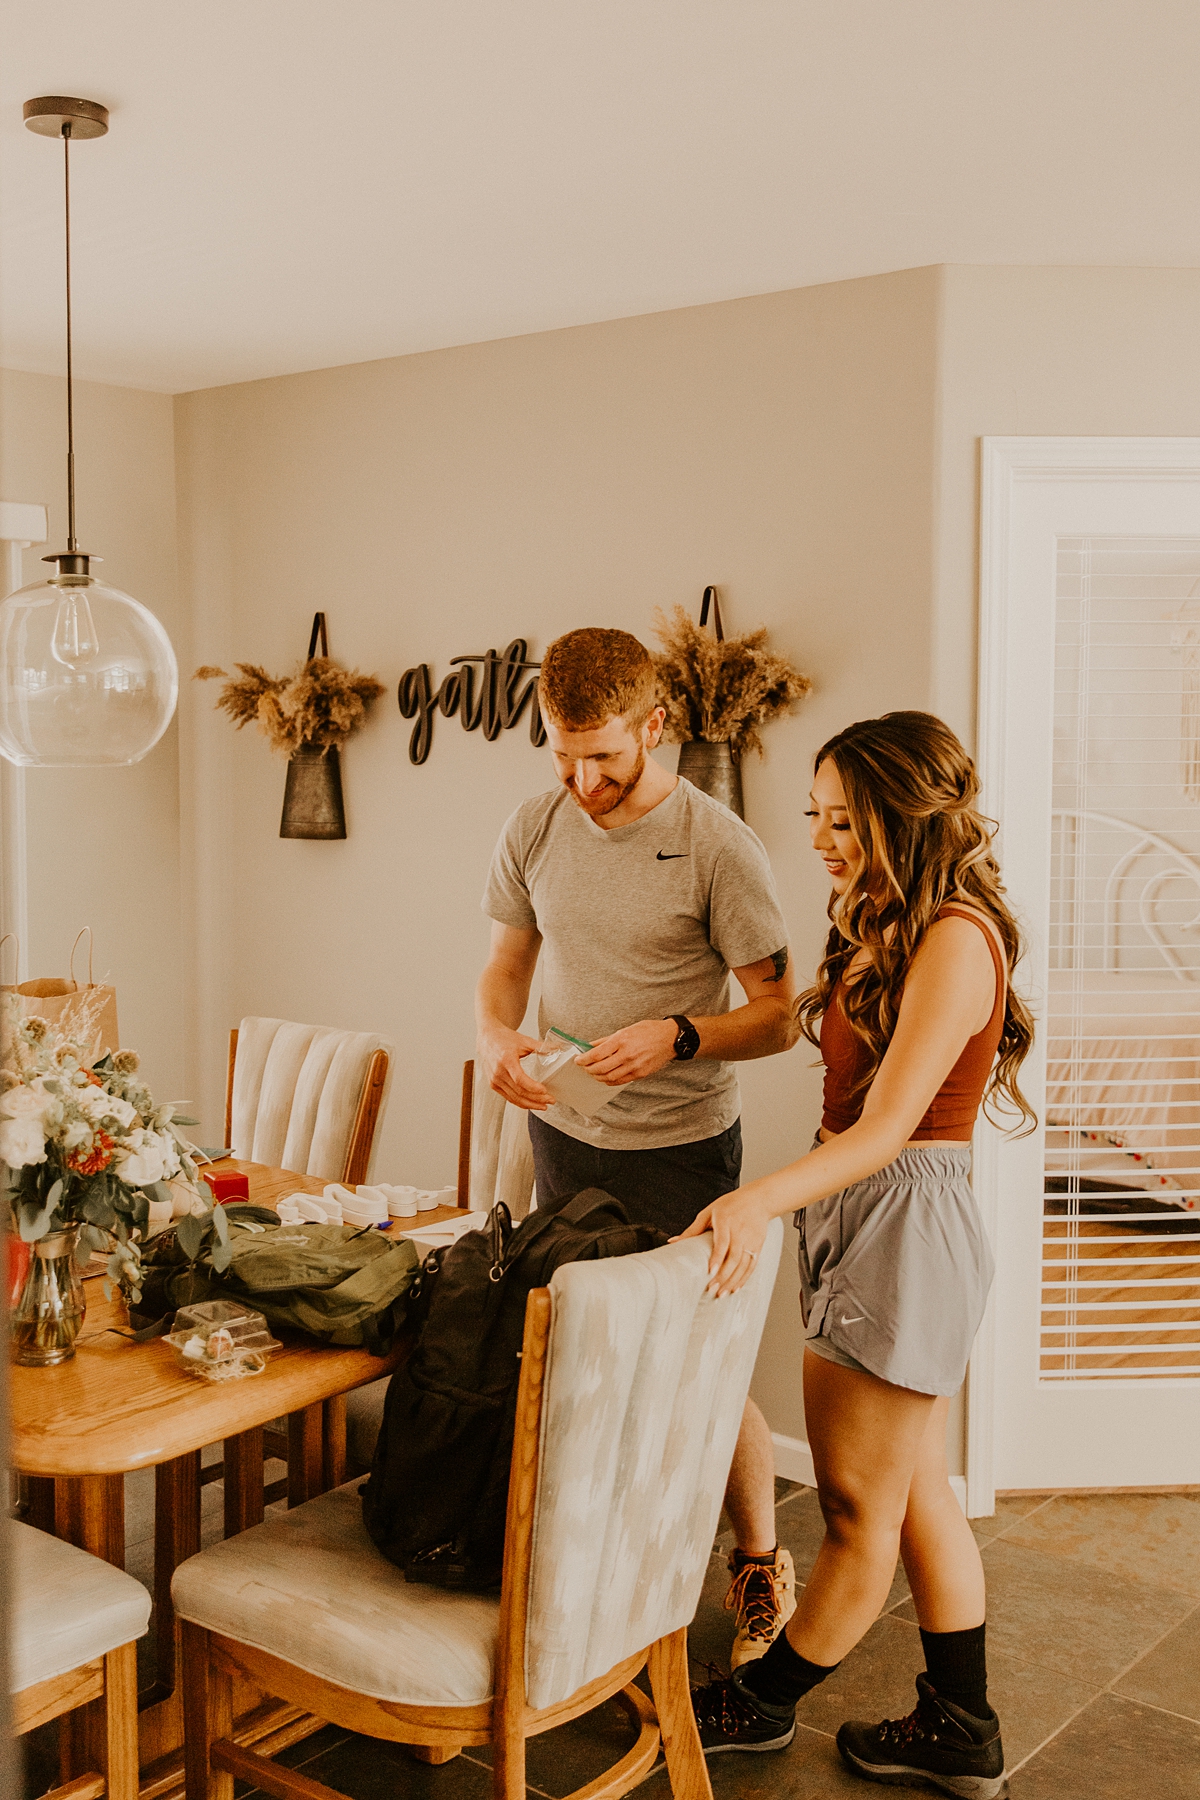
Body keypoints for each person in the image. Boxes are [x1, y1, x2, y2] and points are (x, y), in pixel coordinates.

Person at [682, 711, 1034, 1800]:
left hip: (899, 1221)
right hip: (862, 1212)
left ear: (905, 812)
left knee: (851, 1515)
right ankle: (960, 1723)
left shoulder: (956, 939)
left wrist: (754, 1200)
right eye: (817, 817)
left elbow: (888, 1129)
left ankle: (760, 1701)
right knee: (917, 1488)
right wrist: (688, 1031)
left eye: (845, 818)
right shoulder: (888, 915)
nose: (824, 839)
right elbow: (823, 1060)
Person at [476, 625, 802, 1664]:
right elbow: (505, 966)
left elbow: (781, 1013)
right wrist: (496, 1039)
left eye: (604, 757)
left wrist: (679, 1035)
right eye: (563, 754)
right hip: (563, 1133)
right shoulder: (535, 823)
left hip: (680, 1148)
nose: (581, 779)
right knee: (573, 1351)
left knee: (692, 1362)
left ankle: (757, 1564)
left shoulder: (719, 846)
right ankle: (593, 1569)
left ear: (655, 728)